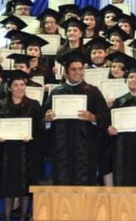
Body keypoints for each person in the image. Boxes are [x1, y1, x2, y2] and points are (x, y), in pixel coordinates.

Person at [43, 51, 110, 185]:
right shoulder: (56, 92)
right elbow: (42, 119)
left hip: (85, 148)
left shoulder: (93, 92)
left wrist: (93, 118)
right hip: (61, 147)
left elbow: (106, 118)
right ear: (66, 72)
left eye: (80, 69)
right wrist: (47, 120)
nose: (78, 72)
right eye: (73, 69)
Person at [0, 70, 43, 221]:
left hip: (26, 152)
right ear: (9, 88)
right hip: (6, 151)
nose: (19, 88)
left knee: (24, 186)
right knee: (7, 186)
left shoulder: (34, 105)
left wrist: (32, 137)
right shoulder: (0, 105)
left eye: (22, 84)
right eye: (15, 85)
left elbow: (40, 129)